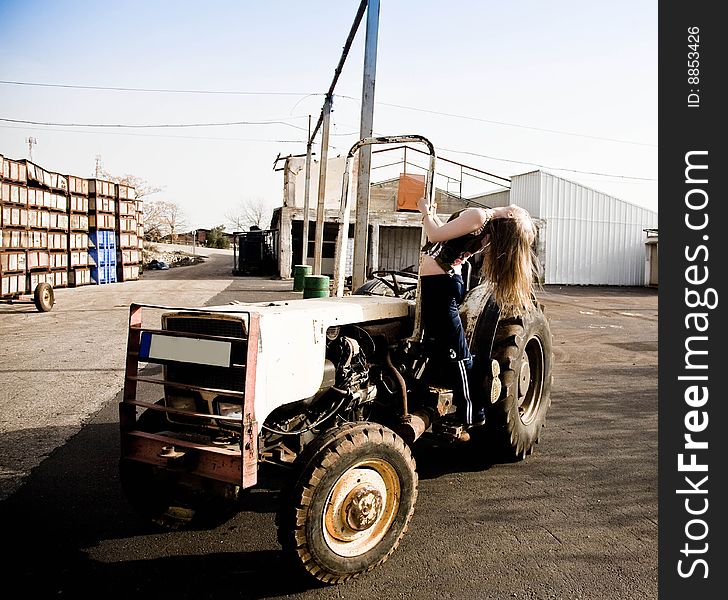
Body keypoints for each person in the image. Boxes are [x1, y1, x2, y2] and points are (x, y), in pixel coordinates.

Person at [416, 196, 538, 435]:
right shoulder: (484, 225)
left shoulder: (480, 217)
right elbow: (443, 236)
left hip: (441, 285)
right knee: (440, 346)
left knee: (457, 353)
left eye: (521, 212)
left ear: (511, 216)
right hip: (440, 283)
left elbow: (434, 236)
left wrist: (423, 212)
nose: (520, 208)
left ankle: (472, 413)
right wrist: (430, 215)